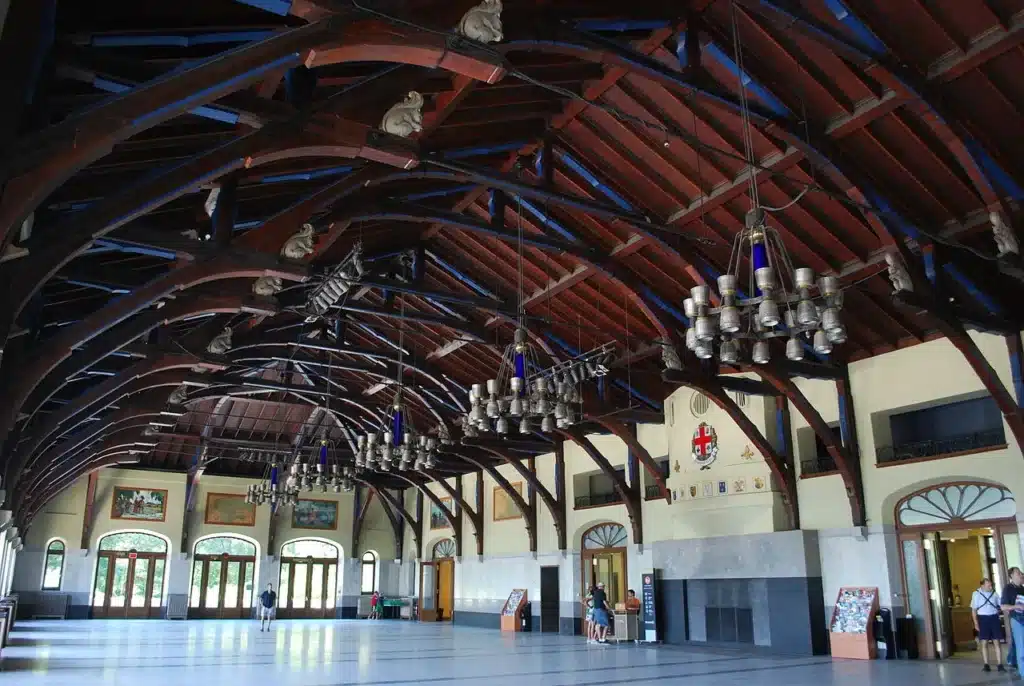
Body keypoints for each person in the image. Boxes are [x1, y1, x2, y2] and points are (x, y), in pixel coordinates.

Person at [972, 578, 1005, 672]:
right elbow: (974, 610)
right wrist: (976, 623)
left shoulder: (994, 593)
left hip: (994, 618)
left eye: (991, 585)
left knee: (997, 642)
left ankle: (1000, 664)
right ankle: (986, 665)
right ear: (982, 586)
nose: (991, 587)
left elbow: (1001, 605)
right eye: (988, 586)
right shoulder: (976, 594)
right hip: (983, 619)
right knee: (984, 642)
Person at [1001, 567, 1024, 673]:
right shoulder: (1008, 588)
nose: (1021, 574)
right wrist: (1016, 607)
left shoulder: (1022, 588)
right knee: (1021, 647)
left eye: (1020, 572)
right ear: (1012, 576)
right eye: (1018, 573)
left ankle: (1012, 660)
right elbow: (1003, 606)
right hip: (1017, 620)